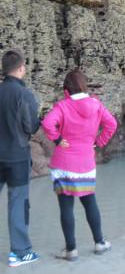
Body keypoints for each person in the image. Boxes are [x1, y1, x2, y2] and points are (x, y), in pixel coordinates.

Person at [41, 69, 117, 261]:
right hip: (86, 163)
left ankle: (71, 250)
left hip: (64, 164)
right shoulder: (96, 104)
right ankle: (100, 243)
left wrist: (57, 140)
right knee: (90, 202)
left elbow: (47, 124)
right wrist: (99, 142)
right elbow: (112, 125)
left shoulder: (62, 106)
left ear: (66, 91)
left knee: (66, 207)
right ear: (85, 86)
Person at [0, 47, 40, 267]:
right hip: (16, 157)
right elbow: (31, 126)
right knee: (17, 203)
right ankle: (20, 252)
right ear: (22, 68)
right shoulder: (24, 94)